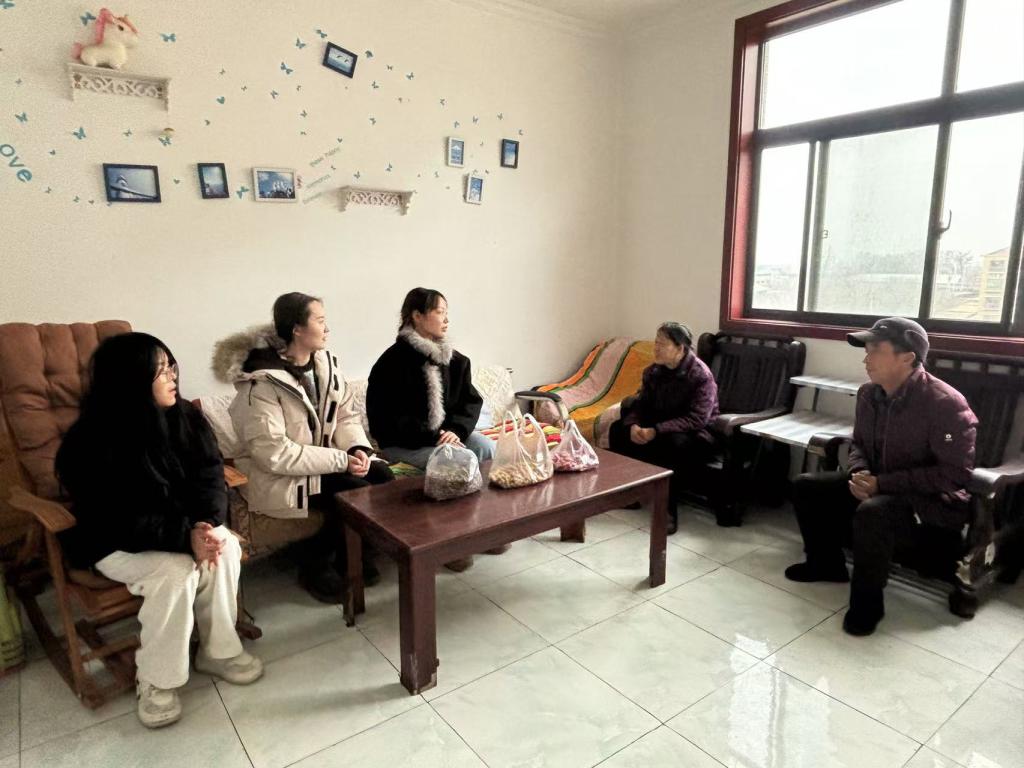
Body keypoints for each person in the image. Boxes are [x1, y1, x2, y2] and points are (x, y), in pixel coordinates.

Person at [55, 333, 263, 729]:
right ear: (131, 379)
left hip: (182, 529)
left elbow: (210, 474)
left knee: (223, 545)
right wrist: (184, 539)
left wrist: (205, 525)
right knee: (175, 571)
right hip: (116, 544)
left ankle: (218, 652)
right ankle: (156, 679)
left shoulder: (185, 417)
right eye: (161, 370)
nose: (173, 377)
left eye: (171, 367)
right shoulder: (91, 441)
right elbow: (115, 520)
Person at [785, 317, 978, 637]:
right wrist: (860, 473)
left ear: (907, 358)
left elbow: (955, 474)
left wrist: (882, 484)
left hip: (929, 502)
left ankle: (867, 605)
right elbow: (858, 444)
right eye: (867, 350)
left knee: (874, 512)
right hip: (879, 484)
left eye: (875, 350)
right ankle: (825, 564)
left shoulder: (945, 404)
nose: (866, 359)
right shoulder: (868, 394)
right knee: (806, 486)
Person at [213, 293, 394, 604]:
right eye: (320, 321)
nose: (327, 328)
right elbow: (274, 453)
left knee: (382, 476)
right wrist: (341, 460)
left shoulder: (325, 365)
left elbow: (345, 416)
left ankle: (353, 556)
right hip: (280, 475)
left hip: (322, 464)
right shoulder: (260, 383)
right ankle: (315, 565)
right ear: (297, 329)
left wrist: (357, 449)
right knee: (352, 492)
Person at [367, 287, 499, 571]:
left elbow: (470, 402)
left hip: (448, 438)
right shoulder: (391, 364)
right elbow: (384, 419)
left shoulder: (456, 361)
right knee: (451, 463)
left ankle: (485, 530)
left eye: (446, 313)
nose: (446, 319)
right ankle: (450, 544)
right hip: (404, 444)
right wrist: (436, 436)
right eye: (440, 312)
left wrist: (456, 431)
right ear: (417, 316)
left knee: (487, 447)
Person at [608, 322, 719, 534]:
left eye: (662, 344)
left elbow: (697, 419)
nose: (656, 348)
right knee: (618, 430)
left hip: (696, 434)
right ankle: (630, 495)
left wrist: (656, 430)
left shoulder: (700, 376)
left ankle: (668, 511)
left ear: (680, 348)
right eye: (656, 343)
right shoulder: (654, 371)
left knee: (673, 444)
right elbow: (641, 404)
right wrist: (634, 425)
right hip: (661, 427)